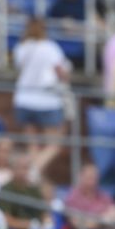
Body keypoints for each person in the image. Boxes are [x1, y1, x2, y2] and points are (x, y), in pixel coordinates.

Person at [12, 16, 71, 150]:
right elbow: (61, 72)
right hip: (47, 101)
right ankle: (35, 170)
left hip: (23, 99)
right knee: (54, 144)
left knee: (32, 146)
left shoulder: (21, 47)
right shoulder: (50, 47)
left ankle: (33, 170)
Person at [0, 152, 49, 229]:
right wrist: (29, 225)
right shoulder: (5, 190)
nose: (24, 171)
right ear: (13, 169)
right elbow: (7, 220)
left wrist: (44, 225)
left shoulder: (34, 189)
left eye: (27, 168)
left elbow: (44, 213)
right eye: (21, 168)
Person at [63, 163, 115, 229]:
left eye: (95, 177)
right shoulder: (73, 197)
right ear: (81, 177)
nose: (93, 181)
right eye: (89, 177)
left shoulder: (104, 196)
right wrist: (102, 221)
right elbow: (76, 224)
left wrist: (93, 222)